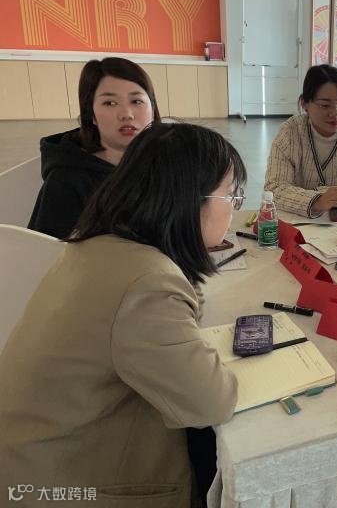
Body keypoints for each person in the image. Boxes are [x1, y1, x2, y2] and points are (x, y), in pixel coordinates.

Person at [0, 123, 247, 507]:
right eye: (230, 195)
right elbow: (211, 402)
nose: (233, 208)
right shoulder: (148, 284)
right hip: (68, 483)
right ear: (188, 200)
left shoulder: (98, 242)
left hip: (30, 459)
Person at [28, 57, 161, 238]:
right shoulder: (67, 180)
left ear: (153, 109)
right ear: (90, 114)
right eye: (110, 103)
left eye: (136, 101)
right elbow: (46, 250)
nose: (127, 114)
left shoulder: (173, 166)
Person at [264, 64, 337, 217]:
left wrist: (330, 197)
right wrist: (318, 200)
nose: (335, 113)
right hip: (299, 221)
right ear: (304, 103)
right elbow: (274, 188)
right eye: (325, 105)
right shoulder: (290, 133)